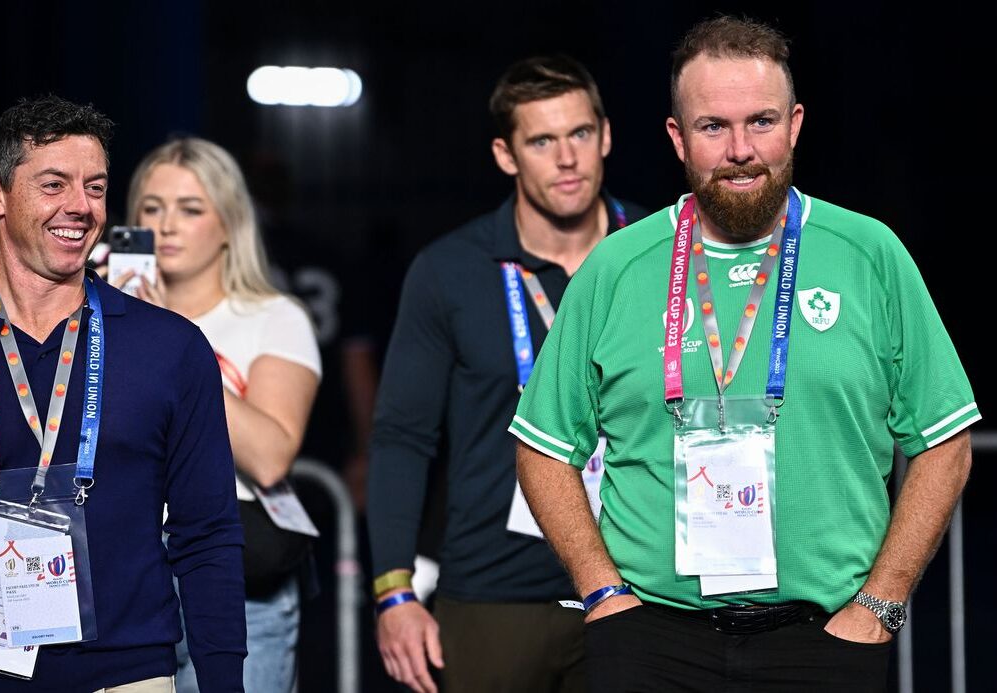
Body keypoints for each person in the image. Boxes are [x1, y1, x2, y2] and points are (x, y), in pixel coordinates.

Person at [510, 16, 979, 693]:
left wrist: (880, 602)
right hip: (650, 641)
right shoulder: (617, 266)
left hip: (825, 640)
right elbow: (542, 445)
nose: (739, 149)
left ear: (794, 124)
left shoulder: (870, 253)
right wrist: (603, 593)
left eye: (760, 121)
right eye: (712, 127)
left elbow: (946, 443)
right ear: (677, 137)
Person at [0, 95, 246, 692]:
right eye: (54, 184)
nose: (80, 207)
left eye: (95, 187)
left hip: (130, 678)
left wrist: (224, 685)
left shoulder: (171, 351)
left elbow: (208, 535)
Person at [366, 54, 646, 693]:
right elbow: (402, 438)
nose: (566, 157)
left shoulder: (661, 255)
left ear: (605, 135)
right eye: (542, 141)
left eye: (579, 134)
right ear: (505, 154)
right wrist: (393, 592)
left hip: (643, 585)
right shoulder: (450, 271)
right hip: (496, 592)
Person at [119, 137, 320, 693]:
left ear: (230, 223)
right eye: (152, 209)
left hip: (238, 580)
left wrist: (170, 339)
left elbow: (271, 454)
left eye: (190, 209)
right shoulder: (102, 319)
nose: (167, 226)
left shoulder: (274, 317)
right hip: (124, 576)